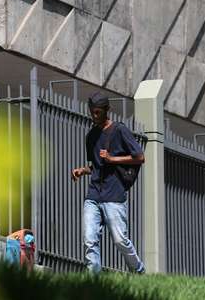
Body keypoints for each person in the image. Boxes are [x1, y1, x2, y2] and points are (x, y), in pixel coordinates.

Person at [70, 92, 146, 274]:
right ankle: (94, 279)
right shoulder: (91, 137)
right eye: (92, 112)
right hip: (94, 194)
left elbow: (140, 157)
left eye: (97, 112)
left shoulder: (119, 130)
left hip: (114, 195)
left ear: (106, 111)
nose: (94, 116)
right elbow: (96, 166)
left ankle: (139, 270)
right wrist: (82, 170)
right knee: (90, 239)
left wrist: (112, 159)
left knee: (120, 240)